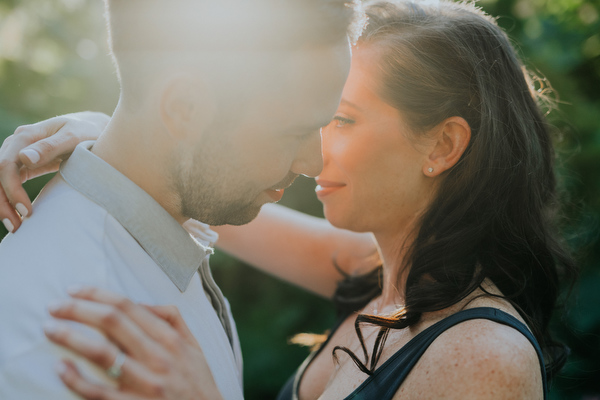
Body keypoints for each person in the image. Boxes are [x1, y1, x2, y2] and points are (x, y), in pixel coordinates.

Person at [0, 0, 575, 399]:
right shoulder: (383, 275)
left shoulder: (483, 356)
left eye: (339, 119)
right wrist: (111, 134)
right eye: (306, 124)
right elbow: (181, 191)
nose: (316, 157)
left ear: (444, 145)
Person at [0, 0, 367, 399]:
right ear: (184, 109)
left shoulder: (170, 231)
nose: (314, 162)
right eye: (293, 132)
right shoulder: (77, 342)